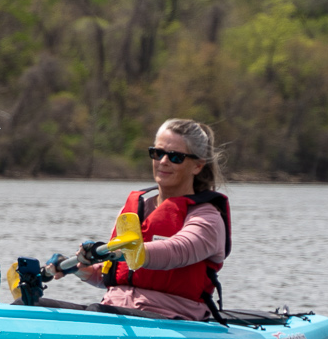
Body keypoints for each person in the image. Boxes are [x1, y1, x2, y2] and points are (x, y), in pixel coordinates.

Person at [53, 118, 229, 320]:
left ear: (197, 166)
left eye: (175, 157)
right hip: (115, 311)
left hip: (173, 318)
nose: (163, 161)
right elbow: (115, 275)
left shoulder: (208, 218)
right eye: (158, 153)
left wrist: (126, 252)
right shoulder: (138, 210)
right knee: (31, 306)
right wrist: (83, 270)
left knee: (97, 313)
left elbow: (179, 250)